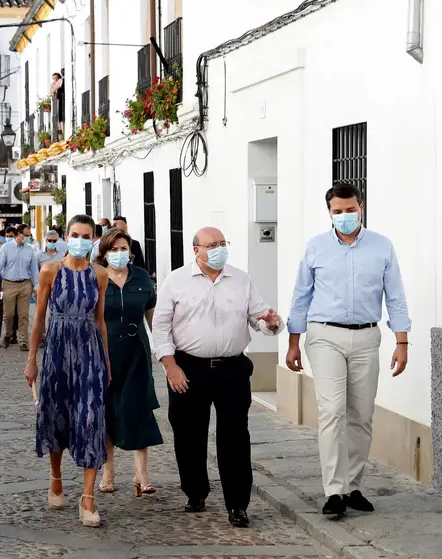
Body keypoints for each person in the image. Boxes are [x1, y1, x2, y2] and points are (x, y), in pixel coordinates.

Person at [285, 183, 410, 517]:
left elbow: (395, 296)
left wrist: (402, 342)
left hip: (367, 337)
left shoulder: (382, 247)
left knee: (362, 415)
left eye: (349, 210)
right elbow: (301, 296)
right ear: (329, 212)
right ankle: (334, 491)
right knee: (332, 411)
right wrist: (293, 342)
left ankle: (353, 485)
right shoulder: (315, 248)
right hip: (325, 335)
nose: (344, 216)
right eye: (337, 212)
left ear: (361, 207)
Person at [152, 226, 284, 528]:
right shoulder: (176, 280)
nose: (219, 249)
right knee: (189, 434)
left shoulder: (241, 279)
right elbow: (160, 327)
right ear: (196, 250)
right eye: (212, 244)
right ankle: (196, 492)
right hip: (188, 367)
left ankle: (237, 504)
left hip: (232, 369)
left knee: (236, 436)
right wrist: (170, 365)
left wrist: (271, 324)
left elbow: (259, 318)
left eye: (223, 243)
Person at [26, 214, 110, 528]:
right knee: (55, 414)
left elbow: (100, 320)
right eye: (74, 234)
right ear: (67, 236)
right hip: (58, 350)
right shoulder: (50, 270)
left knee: (91, 417)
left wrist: (106, 361)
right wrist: (32, 359)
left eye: (85, 235)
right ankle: (56, 476)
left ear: (93, 239)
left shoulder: (99, 275)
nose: (79, 240)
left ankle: (88, 497)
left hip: (89, 351)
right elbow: (38, 319)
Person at [93, 228, 162, 496]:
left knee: (138, 407)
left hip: (136, 351)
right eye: (114, 250)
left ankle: (141, 474)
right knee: (107, 409)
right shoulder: (96, 278)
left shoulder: (142, 277)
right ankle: (108, 471)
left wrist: (164, 349)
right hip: (106, 351)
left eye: (124, 249)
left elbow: (152, 315)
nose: (119, 254)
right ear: (104, 253)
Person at [0, 224, 39, 352]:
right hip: (9, 284)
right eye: (26, 235)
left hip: (25, 284)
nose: (28, 238)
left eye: (29, 236)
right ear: (19, 234)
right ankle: (7, 334)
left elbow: (34, 269)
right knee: (9, 314)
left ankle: (23, 340)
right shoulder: (6, 248)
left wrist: (36, 286)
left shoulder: (30, 249)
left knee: (23, 314)